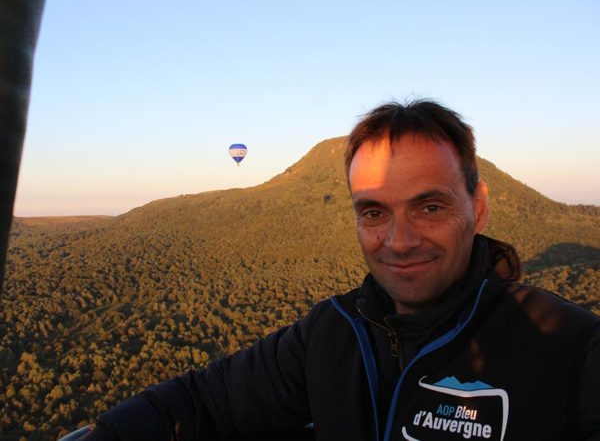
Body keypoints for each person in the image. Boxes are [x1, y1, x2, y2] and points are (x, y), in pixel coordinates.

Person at [85, 100, 600, 441]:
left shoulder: (572, 350)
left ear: (478, 207)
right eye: (374, 212)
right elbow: (204, 401)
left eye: (430, 207)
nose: (399, 241)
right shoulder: (330, 334)